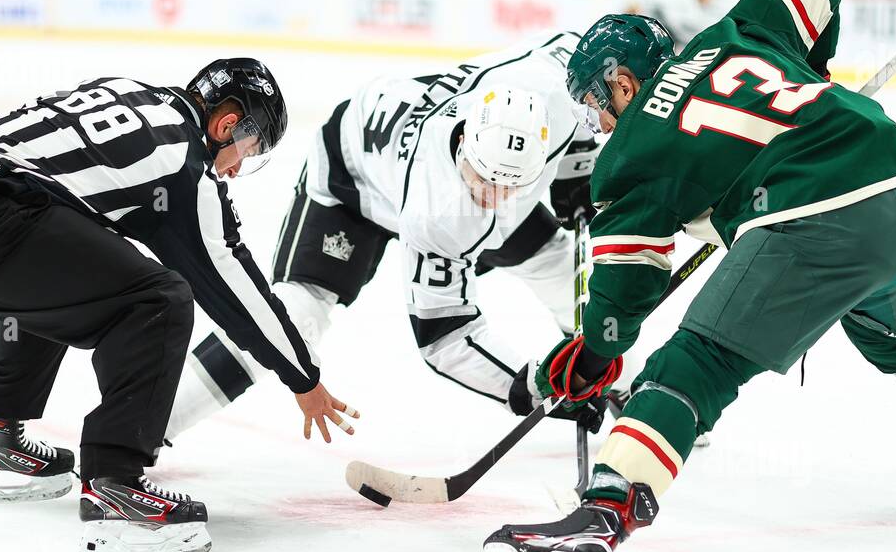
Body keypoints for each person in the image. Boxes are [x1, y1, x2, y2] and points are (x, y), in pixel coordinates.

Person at [473, 0, 896, 552]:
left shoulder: (630, 150)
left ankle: (602, 515)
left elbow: (626, 287)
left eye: (596, 103)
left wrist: (593, 355)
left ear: (621, 83)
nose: (599, 123)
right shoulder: (737, 29)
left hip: (826, 224)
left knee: (696, 363)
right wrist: (814, 71)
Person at [0, 59, 355, 552]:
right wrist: (303, 377)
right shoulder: (183, 164)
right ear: (226, 124)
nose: (236, 167)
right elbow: (235, 289)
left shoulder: (128, 91)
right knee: (161, 298)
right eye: (247, 150)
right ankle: (116, 490)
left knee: (69, 274)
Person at [163, 33, 617, 443]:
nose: (495, 200)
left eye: (511, 185)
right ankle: (151, 427)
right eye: (483, 180)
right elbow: (446, 337)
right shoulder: (437, 211)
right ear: (464, 145)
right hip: (353, 178)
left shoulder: (552, 90)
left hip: (419, 146)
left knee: (559, 264)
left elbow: (597, 63)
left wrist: (577, 169)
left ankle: (625, 389)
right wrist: (530, 387)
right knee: (293, 314)